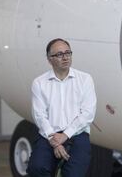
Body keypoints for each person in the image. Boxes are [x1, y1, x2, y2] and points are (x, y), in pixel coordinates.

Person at [27, 38, 97, 177]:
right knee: (37, 169)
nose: (65, 57)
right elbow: (39, 116)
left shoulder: (85, 79)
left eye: (68, 53)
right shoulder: (39, 83)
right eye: (59, 54)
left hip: (77, 134)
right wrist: (55, 141)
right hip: (49, 135)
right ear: (49, 59)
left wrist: (65, 135)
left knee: (73, 174)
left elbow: (88, 113)